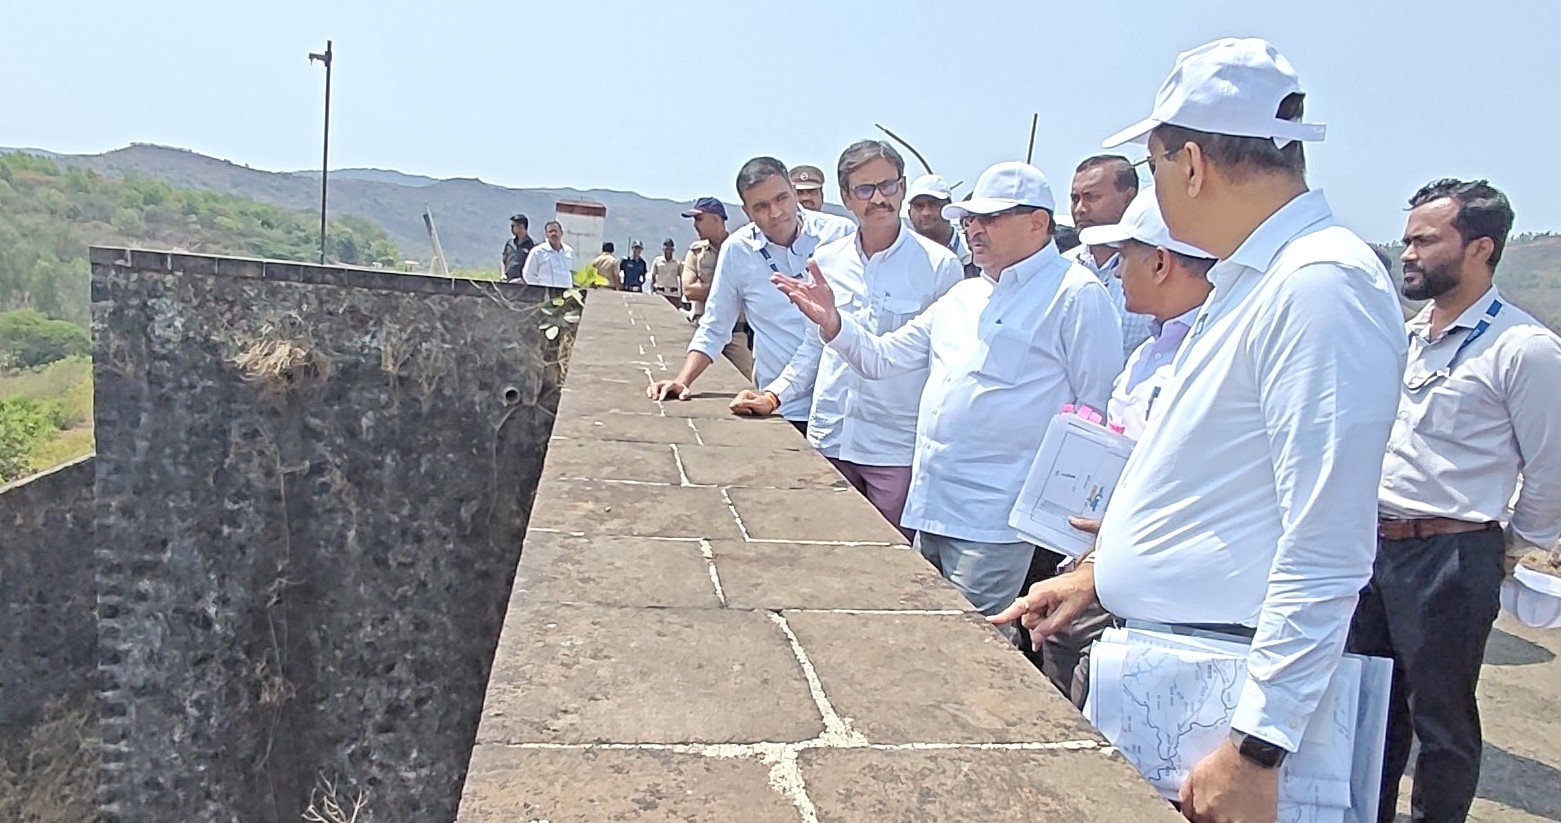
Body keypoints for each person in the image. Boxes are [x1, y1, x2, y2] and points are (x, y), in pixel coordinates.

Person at [991, 38, 1407, 823]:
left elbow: (1325, 541)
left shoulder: (1319, 286)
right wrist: (1099, 574)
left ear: (1190, 165)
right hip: (1181, 657)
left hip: (1223, 684)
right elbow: (1220, 479)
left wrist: (1257, 745)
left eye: (1150, 167)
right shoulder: (1258, 279)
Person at [773, 160, 1120, 619]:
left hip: (995, 519)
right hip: (932, 505)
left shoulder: (1075, 294)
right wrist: (833, 324)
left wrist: (1071, 537)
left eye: (989, 219)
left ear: (1038, 223)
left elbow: (1096, 415)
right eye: (970, 219)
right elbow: (882, 359)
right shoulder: (965, 295)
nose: (974, 229)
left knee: (978, 646)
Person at [1351, 179, 1561, 822]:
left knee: (1440, 720)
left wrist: (1506, 546)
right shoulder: (1404, 336)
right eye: (1407, 238)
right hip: (1373, 546)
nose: (1407, 252)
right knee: (1368, 712)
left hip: (1451, 551)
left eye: (1424, 239)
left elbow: (1551, 468)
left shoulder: (1523, 349)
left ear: (1481, 248)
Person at [1037, 188, 1215, 706]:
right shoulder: (1148, 351)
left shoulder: (1208, 354)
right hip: (1100, 550)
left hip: (1149, 567)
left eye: (1125, 259)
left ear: (1160, 262)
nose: (1115, 273)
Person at [770, 140, 963, 537]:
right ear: (845, 197)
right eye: (864, 190)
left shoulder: (939, 266)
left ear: (903, 187)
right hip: (831, 434)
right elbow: (814, 345)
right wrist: (775, 395)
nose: (879, 199)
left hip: (894, 446)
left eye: (888, 186)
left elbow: (943, 362)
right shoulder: (827, 260)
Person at [647, 157, 854, 431]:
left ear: (794, 192)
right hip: (781, 407)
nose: (776, 212)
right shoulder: (738, 251)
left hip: (842, 405)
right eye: (761, 206)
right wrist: (683, 380)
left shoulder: (841, 235)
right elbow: (715, 325)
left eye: (782, 198)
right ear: (746, 211)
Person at [1069, 155, 1154, 360]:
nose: (1080, 209)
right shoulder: (1060, 266)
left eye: (1092, 197)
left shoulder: (1156, 271)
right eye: (1075, 198)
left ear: (1128, 197)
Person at [906, 173, 980, 279]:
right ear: (909, 213)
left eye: (933, 204)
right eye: (919, 206)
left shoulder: (975, 251)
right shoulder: (902, 256)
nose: (926, 213)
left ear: (948, 208)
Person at [518, 220, 574, 288]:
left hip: (566, 294)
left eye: (555, 231)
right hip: (546, 295)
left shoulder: (569, 251)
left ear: (561, 233)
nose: (553, 234)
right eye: (550, 232)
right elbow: (528, 274)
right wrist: (540, 289)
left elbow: (572, 273)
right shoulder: (537, 252)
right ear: (546, 235)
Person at [501, 214, 535, 282]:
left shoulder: (532, 246)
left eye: (513, 226)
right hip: (507, 282)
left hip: (522, 285)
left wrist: (521, 280)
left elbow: (533, 268)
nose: (511, 228)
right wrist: (503, 274)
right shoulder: (509, 243)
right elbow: (503, 260)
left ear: (521, 227)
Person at [649, 238, 682, 305]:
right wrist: (652, 291)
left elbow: (681, 279)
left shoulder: (677, 263)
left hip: (673, 293)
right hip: (660, 292)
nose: (667, 251)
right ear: (663, 249)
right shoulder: (657, 260)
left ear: (673, 250)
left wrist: (682, 295)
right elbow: (653, 277)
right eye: (666, 249)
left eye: (669, 249)